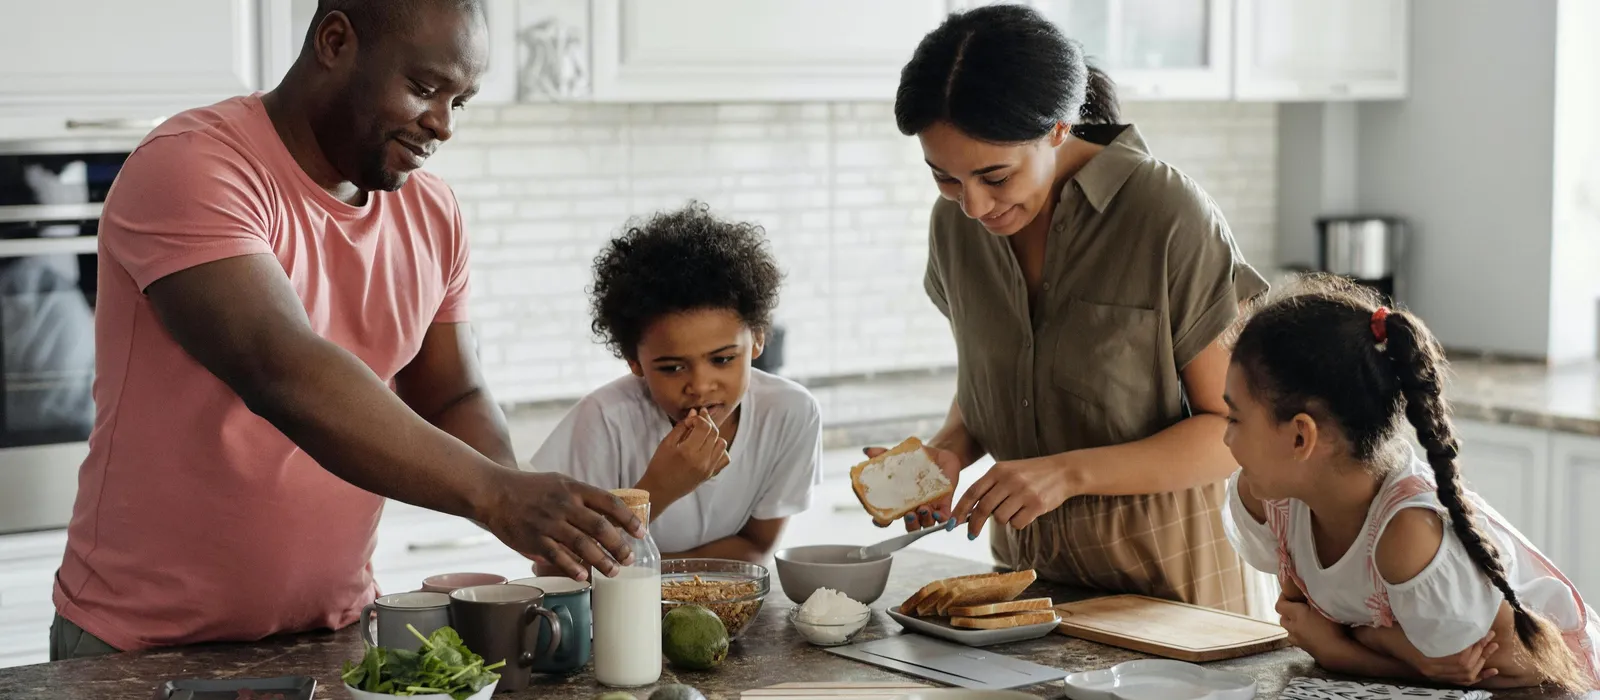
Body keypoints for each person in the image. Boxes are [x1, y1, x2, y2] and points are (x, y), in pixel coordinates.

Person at [49, 0, 641, 660]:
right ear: (334, 41)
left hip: (334, 636)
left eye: (460, 101)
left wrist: (536, 520)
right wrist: (494, 494)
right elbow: (282, 372)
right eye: (424, 87)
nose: (442, 125)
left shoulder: (431, 211)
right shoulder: (193, 166)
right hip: (144, 646)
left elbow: (453, 397)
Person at [878, 3, 1268, 612]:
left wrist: (1066, 474)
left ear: (1060, 128)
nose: (975, 206)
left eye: (996, 177)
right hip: (1027, 594)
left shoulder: (1165, 214)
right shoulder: (953, 228)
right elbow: (997, 382)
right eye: (946, 179)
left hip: (1175, 595)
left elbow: (1235, 432)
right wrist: (947, 453)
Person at [1221, 275, 1600, 692]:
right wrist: (1390, 647)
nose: (1225, 438)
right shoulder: (1273, 499)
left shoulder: (1408, 535)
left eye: (1234, 418)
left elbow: (1509, 670)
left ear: (1300, 437)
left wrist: (1348, 650)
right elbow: (1304, 622)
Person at [528, 203, 823, 563]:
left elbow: (756, 546)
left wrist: (657, 576)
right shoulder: (604, 421)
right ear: (634, 360)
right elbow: (556, 568)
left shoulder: (791, 413)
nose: (699, 386)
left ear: (759, 339)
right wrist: (659, 489)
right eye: (671, 368)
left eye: (723, 359)